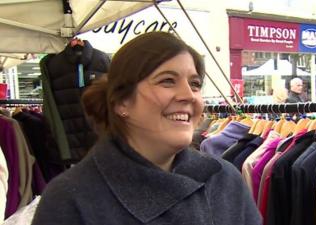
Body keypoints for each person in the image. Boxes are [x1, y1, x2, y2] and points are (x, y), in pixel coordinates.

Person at [31, 32, 261, 225]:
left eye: (195, 84)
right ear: (122, 102)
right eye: (167, 80)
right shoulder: (71, 198)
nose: (189, 95)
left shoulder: (224, 179)